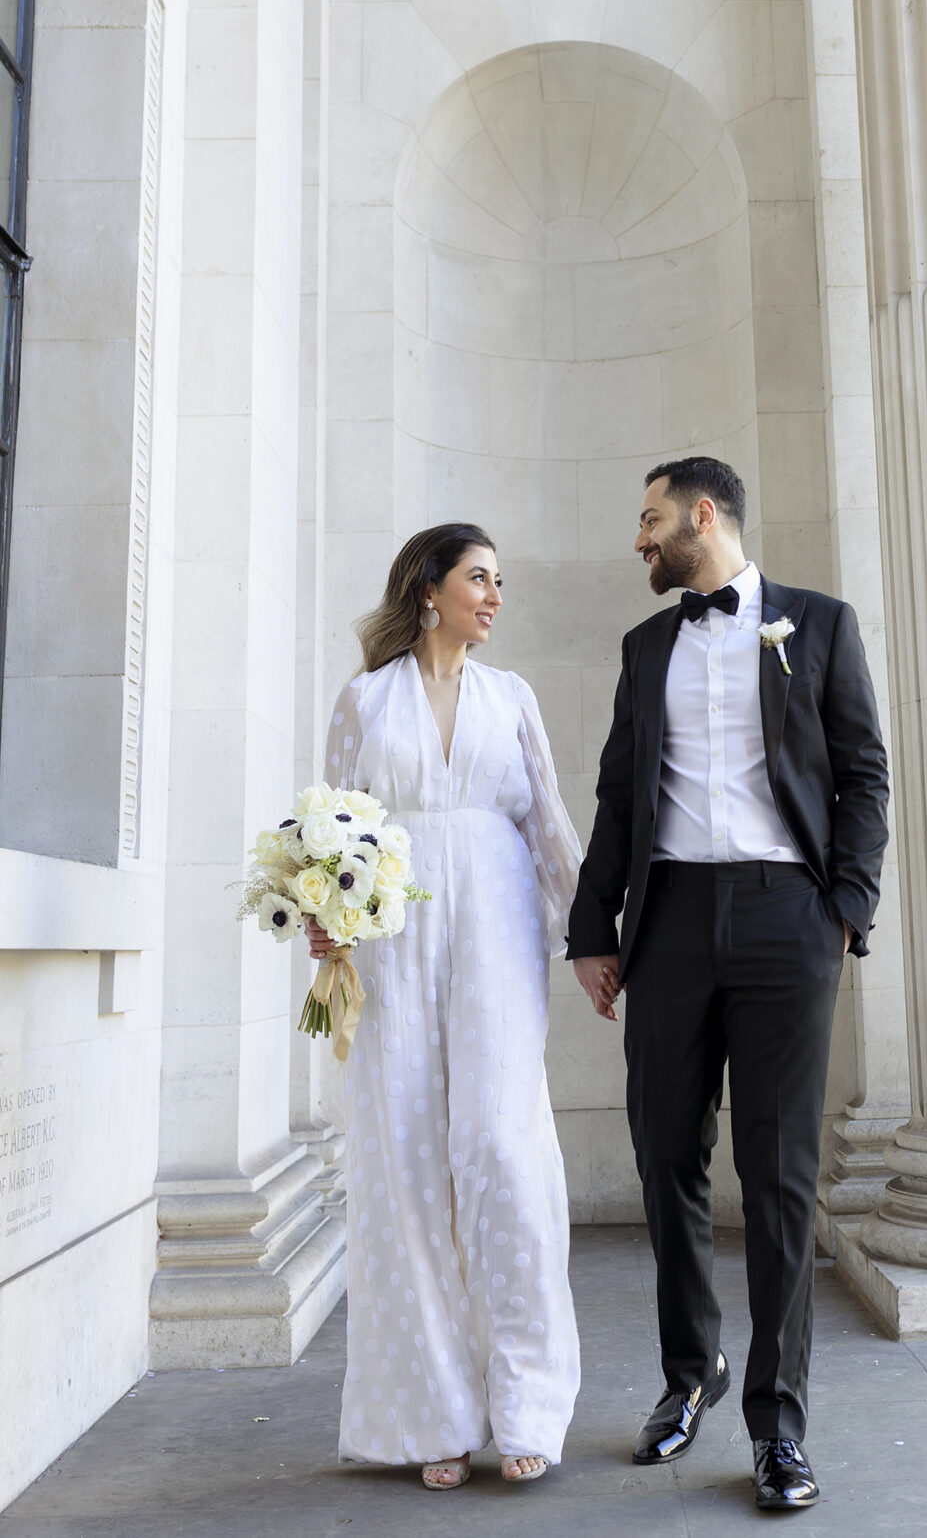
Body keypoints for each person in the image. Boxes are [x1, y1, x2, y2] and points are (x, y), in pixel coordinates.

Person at [567, 458, 889, 1513]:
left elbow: (861, 774)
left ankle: (778, 1421)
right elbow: (619, 792)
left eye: (650, 518)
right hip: (665, 927)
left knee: (780, 1170)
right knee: (665, 1153)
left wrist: (842, 902)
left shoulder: (819, 625)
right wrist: (592, 926)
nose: (639, 539)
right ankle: (686, 1371)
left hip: (784, 919)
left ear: (702, 516)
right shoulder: (644, 644)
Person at [306, 523, 582, 1489]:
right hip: (394, 936)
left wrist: (592, 942)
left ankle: (527, 1402)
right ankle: (430, 1410)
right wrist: (324, 921)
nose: (495, 596)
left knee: (504, 1149)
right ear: (431, 589)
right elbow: (332, 820)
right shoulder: (366, 699)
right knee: (406, 1150)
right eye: (480, 578)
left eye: (499, 580)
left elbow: (546, 819)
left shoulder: (513, 697)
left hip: (500, 927)